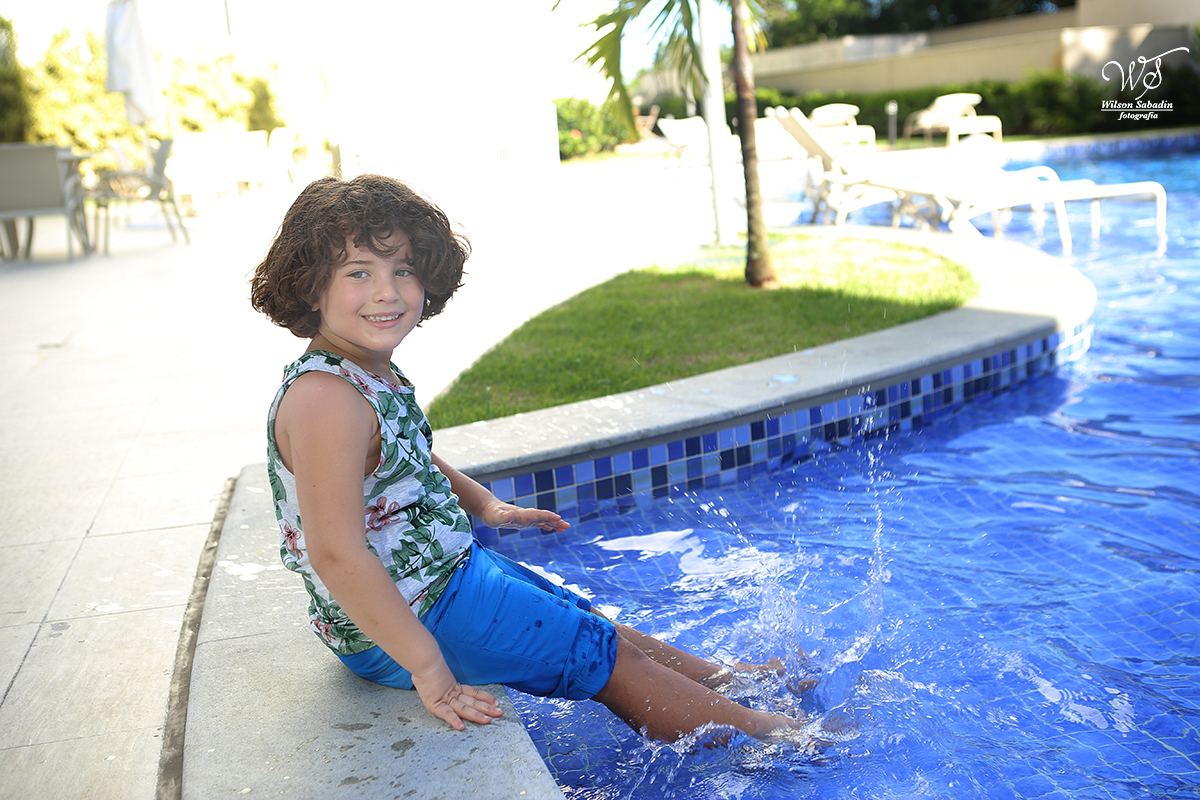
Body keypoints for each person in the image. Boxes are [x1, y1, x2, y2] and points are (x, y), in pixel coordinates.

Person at [249, 174, 807, 743]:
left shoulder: (364, 371)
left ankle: (725, 681)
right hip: (405, 622)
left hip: (436, 586)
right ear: (311, 285)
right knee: (607, 661)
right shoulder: (325, 399)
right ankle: (774, 738)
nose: (387, 292)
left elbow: (407, 456)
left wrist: (487, 506)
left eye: (404, 269)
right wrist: (428, 669)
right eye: (359, 272)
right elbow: (335, 553)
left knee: (593, 625)